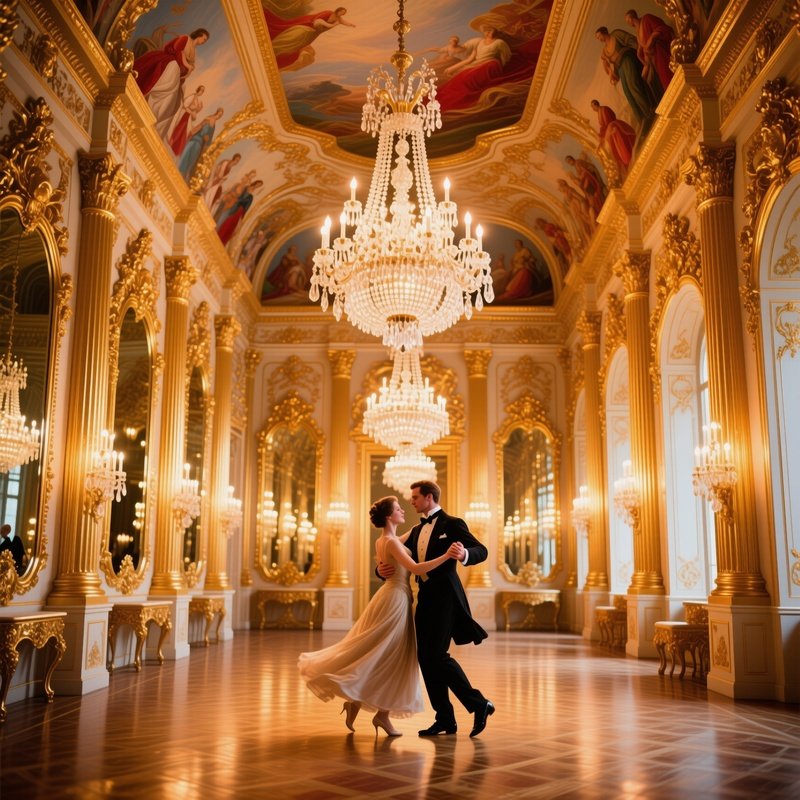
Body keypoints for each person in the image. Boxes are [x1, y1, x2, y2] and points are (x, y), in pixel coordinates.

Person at [298, 496, 460, 737]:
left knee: (386, 653)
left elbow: (399, 548)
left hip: (391, 596)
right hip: (395, 600)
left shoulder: (385, 540)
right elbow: (415, 568)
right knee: (391, 655)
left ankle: (364, 705)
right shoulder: (392, 542)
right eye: (397, 509)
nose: (403, 510)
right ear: (388, 516)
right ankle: (372, 709)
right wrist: (447, 556)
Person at [378, 481, 494, 738]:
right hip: (425, 599)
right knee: (425, 659)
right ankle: (445, 719)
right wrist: (380, 570)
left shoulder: (453, 524)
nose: (411, 501)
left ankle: (478, 704)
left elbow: (481, 550)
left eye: (415, 497)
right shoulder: (417, 529)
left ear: (429, 498)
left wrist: (464, 553)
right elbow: (391, 548)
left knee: (437, 656)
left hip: (447, 600)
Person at [133, 28, 210, 142]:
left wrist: (188, 71)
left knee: (177, 98)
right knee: (172, 72)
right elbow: (176, 50)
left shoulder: (194, 52)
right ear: (199, 35)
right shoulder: (185, 39)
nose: (204, 42)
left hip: (179, 74)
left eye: (205, 41)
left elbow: (189, 68)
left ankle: (156, 117)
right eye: (204, 39)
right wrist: (187, 66)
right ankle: (152, 96)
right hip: (170, 62)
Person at [595, 26, 657, 135]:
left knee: (633, 86)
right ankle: (642, 120)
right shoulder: (604, 49)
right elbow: (607, 63)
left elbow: (631, 40)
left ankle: (649, 113)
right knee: (628, 93)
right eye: (597, 38)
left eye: (599, 36)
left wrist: (641, 54)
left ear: (604, 32)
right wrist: (611, 73)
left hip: (628, 59)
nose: (599, 39)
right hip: (620, 67)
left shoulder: (616, 34)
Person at [263, 6, 355, 71]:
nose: (341, 15)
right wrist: (331, 25)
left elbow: (344, 22)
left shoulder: (338, 19)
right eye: (341, 12)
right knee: (292, 39)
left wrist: (351, 25)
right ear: (337, 10)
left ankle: (277, 53)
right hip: (307, 29)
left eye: (343, 14)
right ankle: (273, 47)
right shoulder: (328, 13)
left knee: (297, 46)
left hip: (313, 35)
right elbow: (316, 22)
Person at [624, 9, 675, 98]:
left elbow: (662, 28)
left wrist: (652, 38)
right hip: (652, 59)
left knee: (667, 75)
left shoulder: (647, 19)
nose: (629, 23)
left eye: (628, 21)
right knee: (652, 79)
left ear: (631, 18)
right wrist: (642, 60)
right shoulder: (638, 32)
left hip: (660, 52)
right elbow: (641, 48)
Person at [590, 99, 636, 176]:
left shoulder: (604, 109)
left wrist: (603, 134)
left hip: (613, 127)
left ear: (595, 105)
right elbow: (603, 126)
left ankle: (626, 159)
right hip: (610, 128)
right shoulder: (600, 112)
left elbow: (607, 122)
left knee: (618, 144)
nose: (592, 109)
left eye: (592, 106)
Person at [177, 107, 223, 183]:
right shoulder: (208, 119)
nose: (219, 116)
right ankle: (179, 171)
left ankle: (184, 175)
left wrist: (207, 143)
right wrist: (192, 132)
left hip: (200, 144)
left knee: (192, 159)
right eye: (219, 114)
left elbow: (209, 138)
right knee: (186, 154)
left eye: (220, 116)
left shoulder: (213, 126)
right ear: (216, 112)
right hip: (195, 139)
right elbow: (199, 127)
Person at [168, 84, 205, 157]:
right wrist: (191, 112)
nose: (202, 92)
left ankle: (176, 148)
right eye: (201, 90)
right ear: (198, 90)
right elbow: (185, 105)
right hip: (184, 115)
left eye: (203, 91)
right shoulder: (192, 96)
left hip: (188, 117)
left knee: (184, 132)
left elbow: (194, 111)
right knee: (179, 129)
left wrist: (198, 109)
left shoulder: (197, 100)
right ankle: (171, 142)